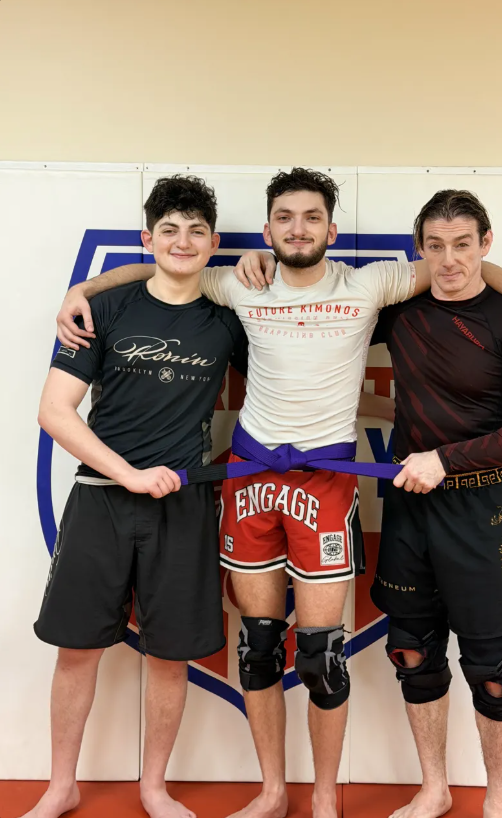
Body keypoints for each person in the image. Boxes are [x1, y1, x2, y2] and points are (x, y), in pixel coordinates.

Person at [55, 169, 502, 818]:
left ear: (332, 228)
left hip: (327, 484)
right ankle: (272, 791)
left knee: (324, 656)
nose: (299, 228)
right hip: (250, 482)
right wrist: (84, 288)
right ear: (268, 231)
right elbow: (164, 272)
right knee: (259, 645)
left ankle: (324, 799)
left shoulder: (373, 282)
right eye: (286, 218)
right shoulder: (239, 280)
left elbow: (458, 265)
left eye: (312, 217)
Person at [24, 176, 249, 818]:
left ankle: (154, 788)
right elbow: (55, 412)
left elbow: (279, 398)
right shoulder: (108, 309)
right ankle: (61, 785)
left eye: (197, 231)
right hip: (102, 498)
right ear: (148, 239)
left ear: (211, 244)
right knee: (77, 648)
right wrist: (126, 473)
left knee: (170, 654)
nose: (183, 241)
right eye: (169, 229)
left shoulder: (225, 321)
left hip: (180, 504)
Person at [369, 190, 502, 818]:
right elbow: (314, 315)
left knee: (492, 665)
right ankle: (434, 788)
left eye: (464, 244)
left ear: (486, 243)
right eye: (436, 245)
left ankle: (497, 802)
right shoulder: (400, 309)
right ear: (419, 248)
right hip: (407, 506)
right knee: (412, 652)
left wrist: (444, 460)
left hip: (480, 510)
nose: (450, 260)